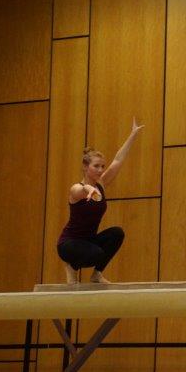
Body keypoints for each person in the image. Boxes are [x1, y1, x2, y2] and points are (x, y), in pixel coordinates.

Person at [57, 119, 144, 284]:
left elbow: (118, 160)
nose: (100, 170)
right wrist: (88, 189)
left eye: (102, 166)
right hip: (69, 245)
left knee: (117, 233)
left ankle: (96, 274)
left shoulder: (101, 184)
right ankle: (72, 266)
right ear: (85, 167)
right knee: (96, 253)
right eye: (96, 166)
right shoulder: (76, 189)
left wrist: (133, 135)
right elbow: (80, 190)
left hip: (88, 241)